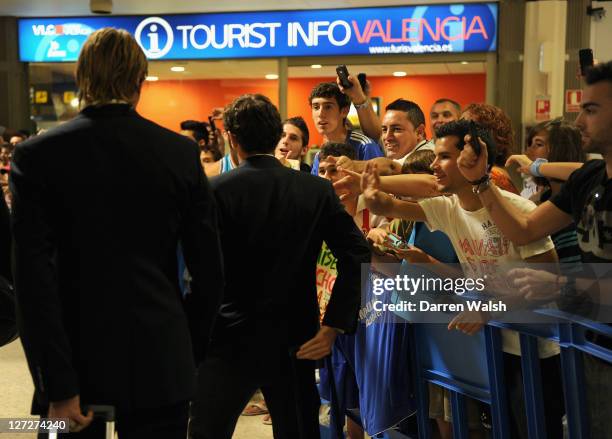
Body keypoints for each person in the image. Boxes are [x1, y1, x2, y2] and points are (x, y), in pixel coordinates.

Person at [10, 28, 224, 439]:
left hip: (72, 358)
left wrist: (58, 385)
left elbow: (32, 282)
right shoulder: (178, 153)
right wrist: (186, 350)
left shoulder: (37, 156)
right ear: (140, 81)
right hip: (159, 354)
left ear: (81, 77)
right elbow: (210, 273)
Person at [360, 119, 562, 437]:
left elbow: (551, 281)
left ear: (474, 158)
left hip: (533, 352)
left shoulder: (515, 208)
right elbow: (391, 205)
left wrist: (489, 309)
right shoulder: (449, 207)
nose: (435, 166)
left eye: (443, 157)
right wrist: (372, 192)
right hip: (491, 349)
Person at [189, 94, 370, 439]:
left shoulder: (214, 191)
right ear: (276, 137)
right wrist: (333, 325)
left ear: (231, 138)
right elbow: (358, 254)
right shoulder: (316, 190)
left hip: (226, 336)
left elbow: (197, 270)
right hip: (296, 337)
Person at [457, 60, 612, 437]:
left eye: (591, 110)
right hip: (593, 347)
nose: (578, 122)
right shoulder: (590, 178)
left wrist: (563, 286)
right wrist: (481, 182)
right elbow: (524, 230)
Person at [309, 82, 383, 175]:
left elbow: (378, 185)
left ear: (344, 111)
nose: (320, 114)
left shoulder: (365, 146)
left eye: (328, 107)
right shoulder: (318, 155)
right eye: (316, 107)